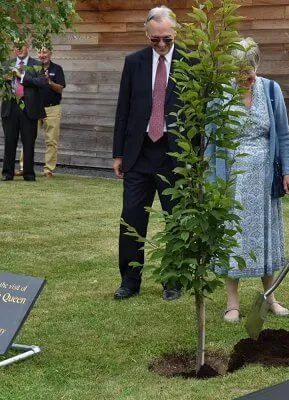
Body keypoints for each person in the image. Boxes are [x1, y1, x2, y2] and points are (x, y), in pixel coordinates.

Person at [210, 37, 289, 323]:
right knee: (233, 236)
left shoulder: (271, 90)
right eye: (239, 71)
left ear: (257, 65)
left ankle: (270, 296)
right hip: (232, 178)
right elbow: (211, 140)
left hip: (264, 177)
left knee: (266, 235)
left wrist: (288, 171)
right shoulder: (219, 94)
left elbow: (282, 134)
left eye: (248, 71)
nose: (244, 77)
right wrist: (212, 179)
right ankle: (232, 303)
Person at [112, 6, 182, 301]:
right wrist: (118, 153)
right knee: (131, 217)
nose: (161, 45)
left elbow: (200, 115)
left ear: (175, 33)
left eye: (166, 38)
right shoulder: (134, 62)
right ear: (147, 35)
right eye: (155, 40)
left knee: (175, 219)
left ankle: (174, 281)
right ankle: (129, 280)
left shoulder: (190, 61)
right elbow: (123, 108)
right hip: (138, 153)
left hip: (175, 154)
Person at [16, 46, 65, 178]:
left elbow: (60, 89)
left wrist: (48, 81)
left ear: (50, 53)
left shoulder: (57, 69)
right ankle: (23, 168)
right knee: (27, 138)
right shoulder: (31, 67)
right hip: (33, 107)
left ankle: (48, 170)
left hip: (52, 108)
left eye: (45, 52)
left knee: (51, 141)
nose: (42, 55)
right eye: (39, 52)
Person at [1, 44, 46, 181]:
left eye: (21, 46)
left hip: (29, 108)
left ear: (27, 47)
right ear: (13, 49)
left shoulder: (37, 64)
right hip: (10, 107)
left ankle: (28, 174)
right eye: (16, 46)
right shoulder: (6, 64)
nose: (18, 49)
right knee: (9, 142)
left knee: (28, 143)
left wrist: (21, 76)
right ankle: (7, 173)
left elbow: (41, 81)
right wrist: (4, 78)